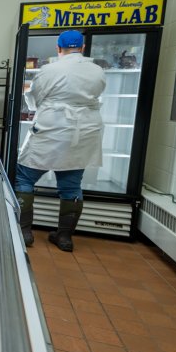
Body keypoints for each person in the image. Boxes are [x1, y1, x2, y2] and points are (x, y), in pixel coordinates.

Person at [15, 30, 105, 252]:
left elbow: (34, 99)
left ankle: (25, 232)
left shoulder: (50, 70)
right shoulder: (97, 71)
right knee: (72, 185)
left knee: (24, 177)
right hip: (84, 131)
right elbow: (98, 95)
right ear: (83, 48)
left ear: (58, 48)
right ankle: (65, 237)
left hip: (50, 129)